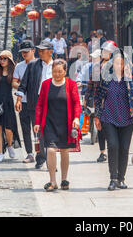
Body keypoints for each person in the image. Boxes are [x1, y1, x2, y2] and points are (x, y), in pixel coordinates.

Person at [94, 49, 133, 190]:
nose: (119, 66)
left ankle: (121, 178)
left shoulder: (130, 79)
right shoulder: (106, 78)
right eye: (117, 63)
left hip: (127, 119)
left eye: (122, 63)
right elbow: (98, 98)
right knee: (113, 145)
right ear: (112, 63)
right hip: (109, 117)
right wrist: (97, 117)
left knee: (124, 148)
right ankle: (113, 178)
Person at [34, 59, 81, 192]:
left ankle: (64, 179)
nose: (57, 74)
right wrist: (37, 122)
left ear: (65, 72)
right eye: (54, 71)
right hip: (49, 122)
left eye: (60, 71)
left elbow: (77, 103)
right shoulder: (45, 84)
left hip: (66, 123)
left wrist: (76, 118)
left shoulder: (71, 85)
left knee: (65, 151)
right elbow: (40, 104)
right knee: (50, 150)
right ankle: (52, 180)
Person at [15, 39, 54, 169]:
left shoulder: (57, 66)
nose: (40, 53)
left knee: (50, 132)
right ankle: (41, 156)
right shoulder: (33, 65)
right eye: (39, 50)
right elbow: (23, 84)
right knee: (38, 132)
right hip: (36, 102)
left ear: (50, 52)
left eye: (43, 51)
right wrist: (19, 99)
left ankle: (49, 159)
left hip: (53, 103)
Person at [85, 40, 119, 163]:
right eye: (104, 51)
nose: (104, 53)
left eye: (107, 51)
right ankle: (102, 152)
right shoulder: (96, 67)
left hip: (111, 102)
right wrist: (86, 98)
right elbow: (90, 84)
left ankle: (113, 150)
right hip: (98, 100)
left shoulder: (115, 67)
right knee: (99, 126)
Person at [0, 50, 21, 162]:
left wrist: (22, 91)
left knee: (9, 129)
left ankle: (10, 145)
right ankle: (0, 153)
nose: (2, 61)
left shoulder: (13, 72)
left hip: (8, 102)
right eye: (1, 59)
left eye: (5, 58)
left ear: (9, 60)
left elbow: (17, 85)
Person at [12, 40, 37, 163]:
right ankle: (30, 153)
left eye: (26, 52)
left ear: (33, 51)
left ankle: (40, 153)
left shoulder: (39, 65)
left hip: (36, 101)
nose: (24, 54)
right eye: (22, 52)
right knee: (25, 128)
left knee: (37, 128)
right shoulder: (19, 66)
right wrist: (23, 88)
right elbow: (14, 82)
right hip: (24, 101)